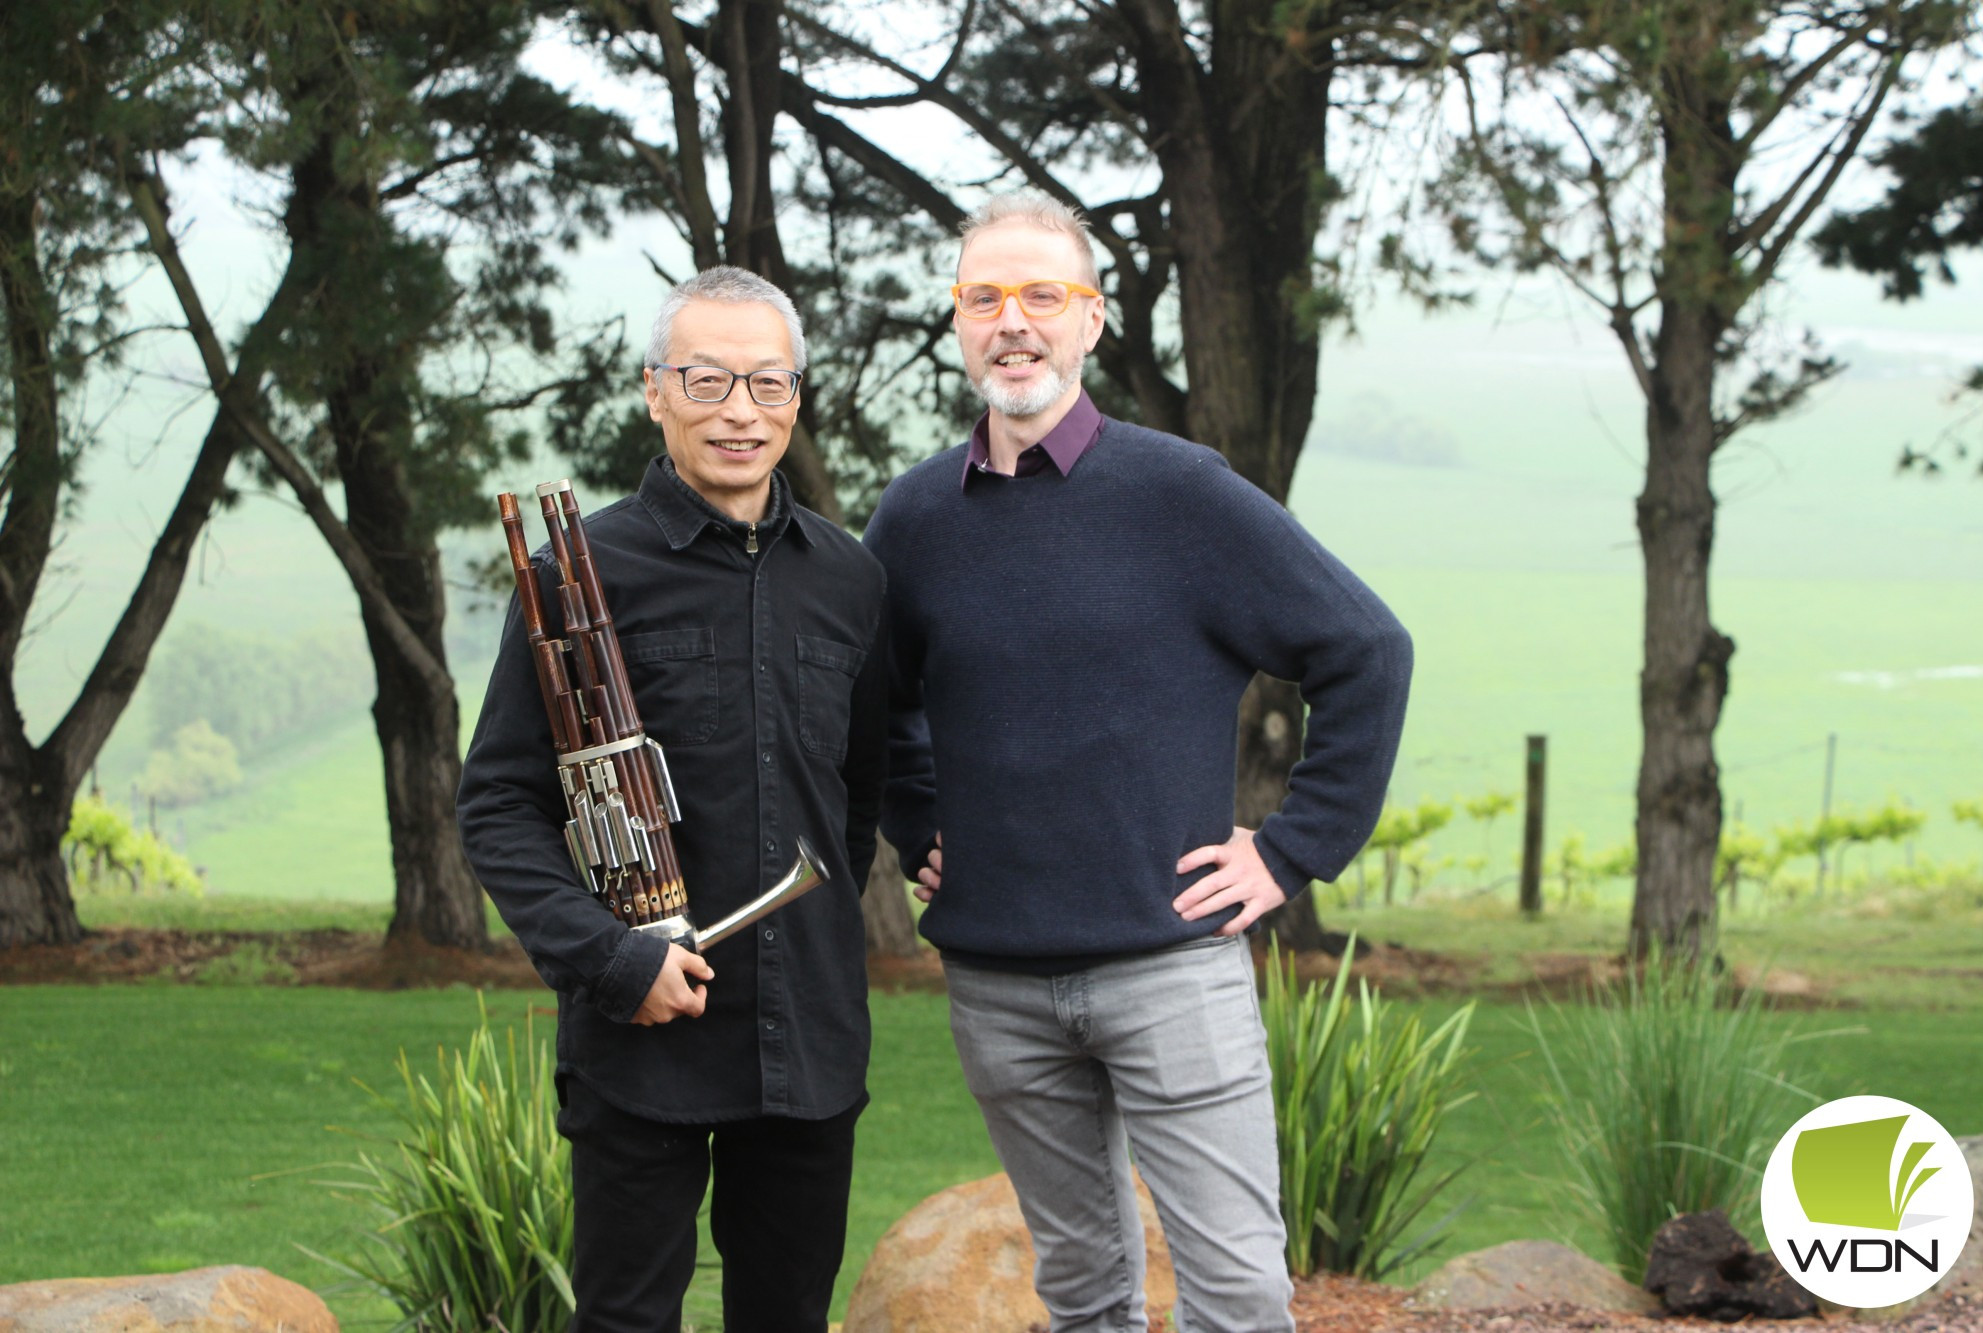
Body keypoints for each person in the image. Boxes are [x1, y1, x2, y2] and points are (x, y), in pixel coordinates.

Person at [862, 193, 1414, 1333]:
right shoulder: (914, 517)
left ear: (1091, 321)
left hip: (1172, 967)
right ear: (957, 323)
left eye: (1041, 297)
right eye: (984, 298)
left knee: (1238, 1294)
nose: (1012, 322)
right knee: (1083, 1294)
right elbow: (875, 706)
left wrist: (1293, 848)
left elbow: (1365, 649)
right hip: (999, 985)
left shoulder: (1180, 493)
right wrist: (922, 831)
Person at [458, 265, 886, 1333]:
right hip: (637, 1035)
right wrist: (609, 958)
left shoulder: (849, 577)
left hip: (809, 1042)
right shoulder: (576, 569)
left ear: (796, 395)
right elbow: (500, 803)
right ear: (654, 391)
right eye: (705, 380)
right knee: (625, 1321)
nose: (738, 410)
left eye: (766, 383)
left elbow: (860, 793)